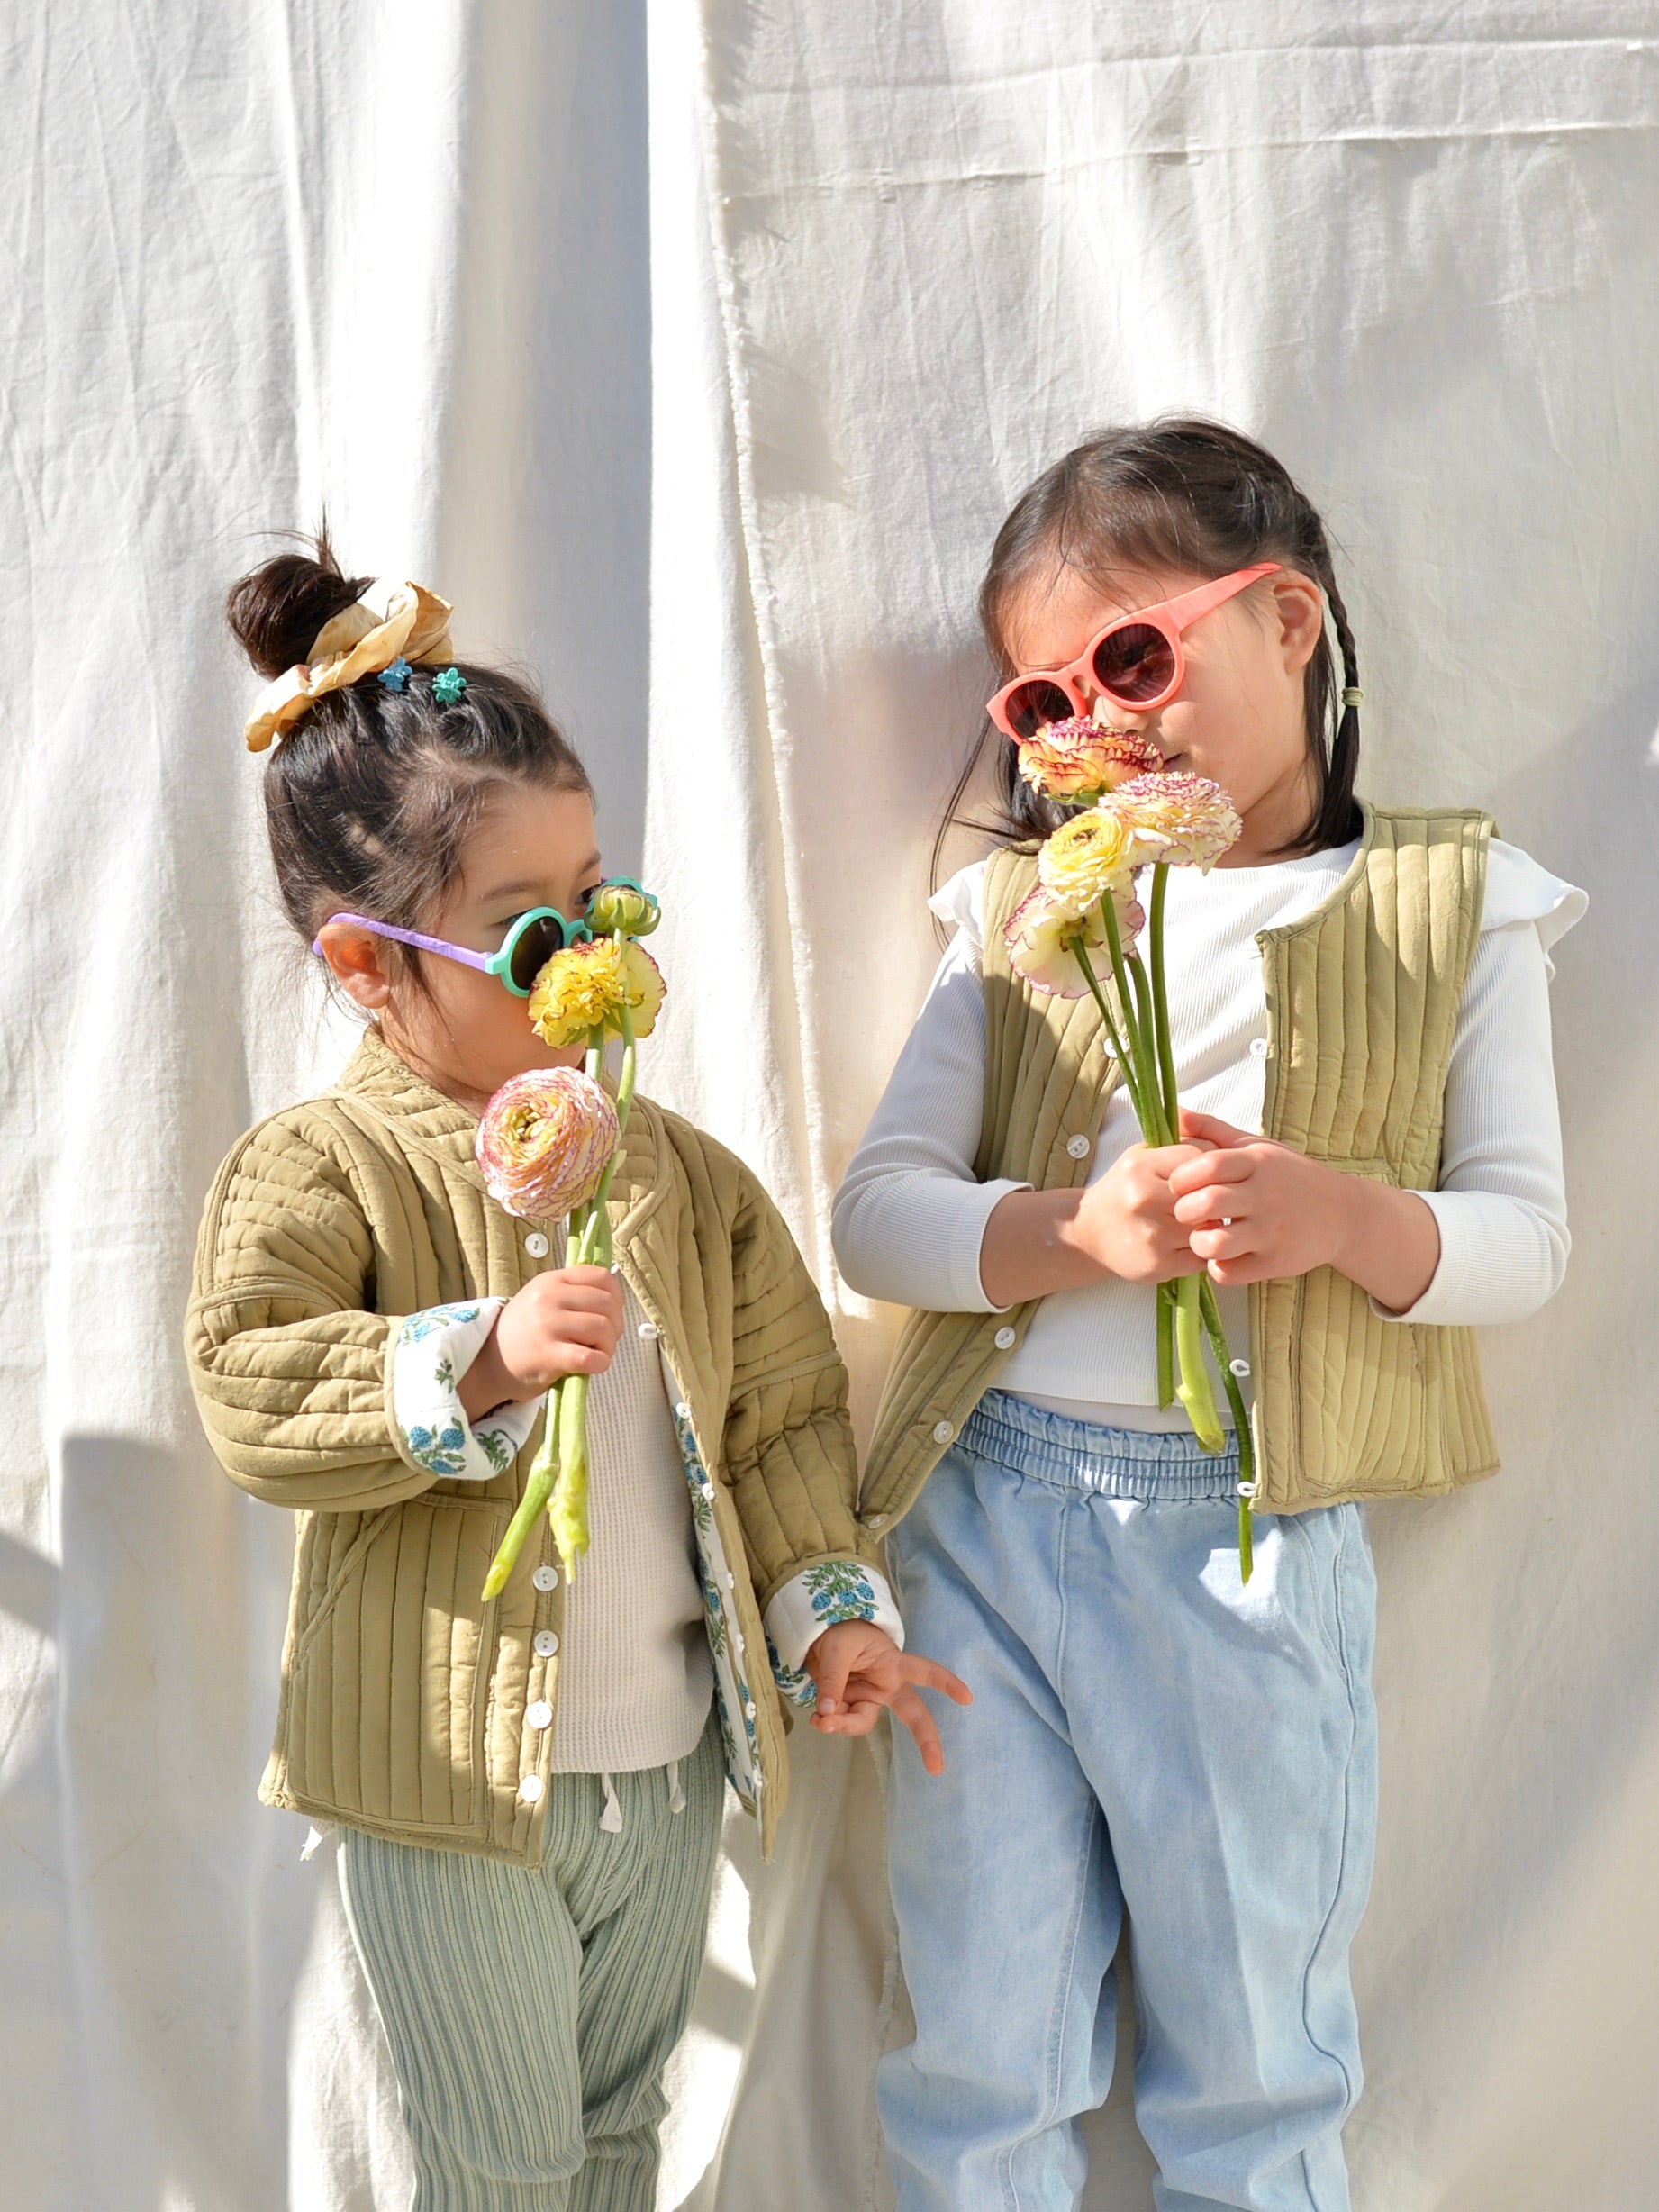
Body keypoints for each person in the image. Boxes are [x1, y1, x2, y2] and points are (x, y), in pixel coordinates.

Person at [829, 420, 1584, 2212]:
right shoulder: (1020, 912)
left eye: (1137, 656)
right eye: (1047, 703)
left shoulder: (1444, 903)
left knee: (1255, 2056)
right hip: (986, 1519)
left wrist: (1345, 1219)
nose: (1104, 722)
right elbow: (877, 1216)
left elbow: (1527, 1239)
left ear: (1290, 620)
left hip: (1245, 1538)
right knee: (978, 2047)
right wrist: (1073, 1233)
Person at [185, 541, 968, 2212]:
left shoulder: (681, 1176)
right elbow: (251, 1385)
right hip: (447, 1781)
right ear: (366, 965)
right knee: (503, 2166)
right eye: (528, 932)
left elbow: (777, 1417)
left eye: (598, 905)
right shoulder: (325, 1166)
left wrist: (827, 1608)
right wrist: (477, 1355)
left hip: (664, 1765)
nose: (583, 963)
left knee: (620, 2140)